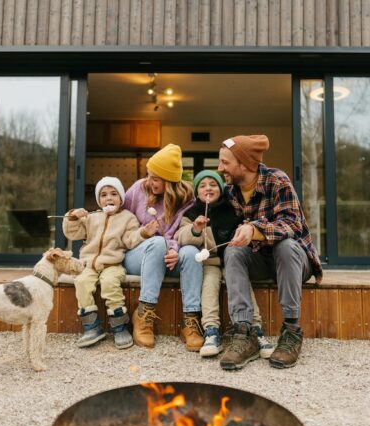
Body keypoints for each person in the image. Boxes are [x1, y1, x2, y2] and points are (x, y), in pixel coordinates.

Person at [217, 135, 323, 371]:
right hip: (261, 260)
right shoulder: (230, 191)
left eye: (225, 162)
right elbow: (201, 199)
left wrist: (254, 229)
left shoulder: (277, 180)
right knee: (233, 252)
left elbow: (293, 224)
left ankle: (291, 330)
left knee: (285, 246)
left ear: (244, 164)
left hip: (294, 261)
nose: (219, 167)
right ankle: (245, 333)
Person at [175, 170, 275, 358]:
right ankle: (211, 330)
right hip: (210, 262)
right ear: (197, 192)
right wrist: (195, 229)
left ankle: (255, 329)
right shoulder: (191, 213)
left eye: (213, 185)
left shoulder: (233, 209)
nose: (208, 188)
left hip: (232, 260)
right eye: (202, 186)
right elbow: (180, 237)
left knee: (240, 282)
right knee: (209, 285)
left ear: (221, 190)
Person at [122, 143, 204, 350]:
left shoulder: (186, 199)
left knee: (192, 253)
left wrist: (175, 250)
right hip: (137, 253)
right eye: (149, 175)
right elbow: (116, 213)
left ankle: (191, 321)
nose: (149, 182)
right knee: (157, 242)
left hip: (166, 255)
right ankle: (144, 314)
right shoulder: (139, 189)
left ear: (169, 181)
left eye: (155, 178)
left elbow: (176, 232)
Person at [63, 177, 157, 349]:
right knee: (82, 282)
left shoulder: (128, 218)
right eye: (104, 195)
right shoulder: (92, 217)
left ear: (121, 199)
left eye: (114, 194)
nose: (109, 198)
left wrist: (143, 233)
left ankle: (119, 327)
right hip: (89, 264)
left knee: (110, 284)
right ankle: (91, 327)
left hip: (112, 265)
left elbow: (130, 240)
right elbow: (72, 233)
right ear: (99, 200)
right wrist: (72, 217)